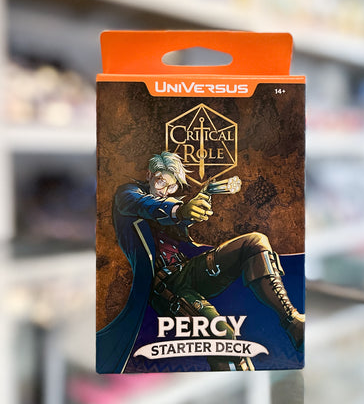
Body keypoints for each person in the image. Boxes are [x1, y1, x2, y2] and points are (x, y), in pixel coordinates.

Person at [96, 151, 304, 373]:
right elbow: (145, 205)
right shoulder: (127, 194)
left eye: (171, 187)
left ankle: (292, 322)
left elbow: (182, 224)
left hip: (187, 270)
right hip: (164, 287)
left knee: (254, 242)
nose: (164, 190)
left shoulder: (170, 203)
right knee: (222, 336)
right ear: (149, 175)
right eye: (160, 182)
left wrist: (196, 207)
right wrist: (180, 210)